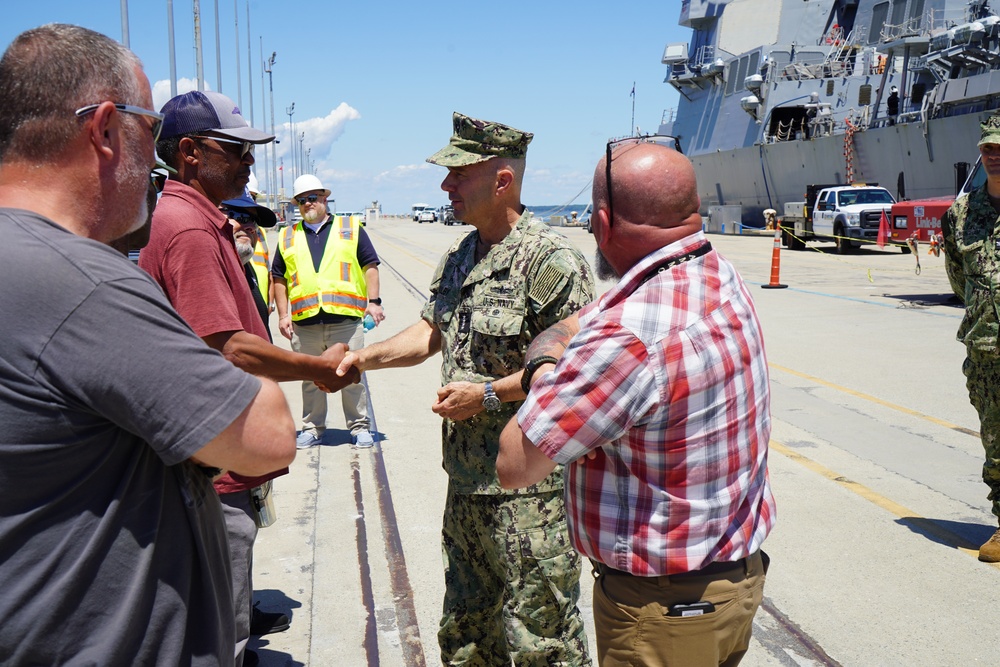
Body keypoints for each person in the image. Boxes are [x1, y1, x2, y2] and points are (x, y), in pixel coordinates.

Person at [0, 24, 296, 665]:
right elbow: (266, 431)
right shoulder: (79, 281)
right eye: (147, 130)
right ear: (105, 129)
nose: (155, 159)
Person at [497, 140, 776, 666]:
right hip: (733, 585)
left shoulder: (629, 337)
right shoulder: (715, 274)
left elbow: (515, 463)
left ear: (602, 222)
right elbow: (586, 317)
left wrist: (545, 368)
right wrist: (556, 355)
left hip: (663, 612)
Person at [337, 113, 594, 665]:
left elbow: (575, 374)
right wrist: (362, 358)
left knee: (539, 643)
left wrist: (490, 395)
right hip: (467, 489)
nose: (444, 186)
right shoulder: (461, 257)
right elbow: (432, 331)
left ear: (502, 180)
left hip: (531, 498)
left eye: (458, 174)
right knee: (467, 637)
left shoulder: (551, 261)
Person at [140, 90, 359, 666]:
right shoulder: (188, 227)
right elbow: (228, 346)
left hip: (220, 444)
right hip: (213, 455)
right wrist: (316, 372)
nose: (249, 162)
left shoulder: (197, 219)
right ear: (189, 152)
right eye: (236, 149)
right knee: (223, 582)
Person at [272, 174, 384, 449]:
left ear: (324, 198)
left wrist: (375, 301)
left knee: (351, 375)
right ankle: (312, 428)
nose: (307, 204)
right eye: (301, 200)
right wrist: (283, 315)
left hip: (345, 320)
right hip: (305, 322)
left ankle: (359, 427)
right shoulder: (287, 235)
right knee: (310, 378)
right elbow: (278, 278)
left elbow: (370, 265)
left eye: (312, 198)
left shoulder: (351, 227)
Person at [942, 111, 1000, 563]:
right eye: (988, 148)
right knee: (997, 443)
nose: (994, 156)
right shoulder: (961, 214)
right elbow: (960, 280)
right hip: (987, 351)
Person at [222, 188, 278, 337]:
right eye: (240, 216)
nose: (251, 227)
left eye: (253, 221)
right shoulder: (211, 271)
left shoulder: (245, 267)